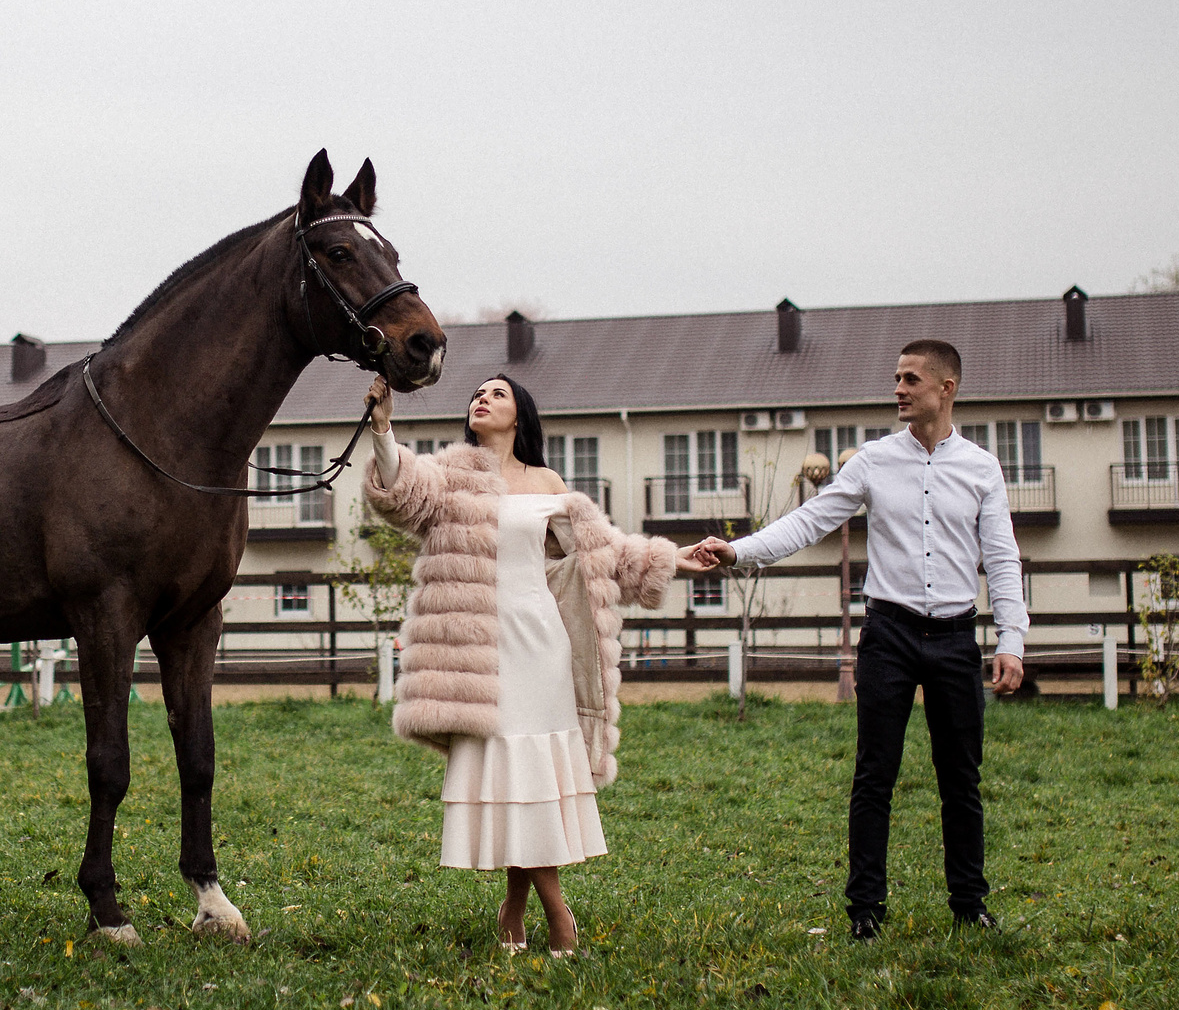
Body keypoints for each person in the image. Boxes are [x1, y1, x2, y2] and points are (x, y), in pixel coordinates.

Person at [686, 339, 1026, 941]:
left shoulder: (981, 467)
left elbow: (1001, 557)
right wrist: (737, 552)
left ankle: (970, 904)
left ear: (946, 388)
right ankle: (865, 910)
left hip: (954, 638)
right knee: (875, 775)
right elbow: (808, 521)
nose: (898, 388)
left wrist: (1012, 640)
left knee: (961, 778)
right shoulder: (871, 460)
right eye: (896, 377)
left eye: (910, 379)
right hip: (889, 635)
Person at [363, 371, 697, 955]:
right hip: (480, 654)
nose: (482, 398)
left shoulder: (548, 481)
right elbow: (401, 490)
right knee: (515, 775)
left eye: (498, 393)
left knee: (534, 777)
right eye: (477, 392)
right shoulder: (452, 477)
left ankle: (518, 909)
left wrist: (677, 560)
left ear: (520, 415)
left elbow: (605, 554)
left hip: (542, 644)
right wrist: (383, 431)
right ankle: (555, 913)